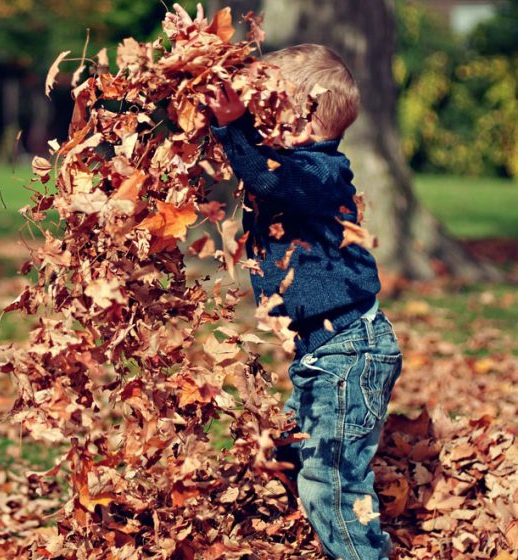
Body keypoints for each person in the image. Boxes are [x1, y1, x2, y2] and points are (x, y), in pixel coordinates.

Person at [208, 42, 404, 560]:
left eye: (265, 108)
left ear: (301, 120)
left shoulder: (319, 173)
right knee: (292, 452)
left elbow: (269, 177)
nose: (256, 118)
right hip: (325, 354)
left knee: (331, 482)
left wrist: (232, 128)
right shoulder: (297, 173)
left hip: (348, 353)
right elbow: (265, 177)